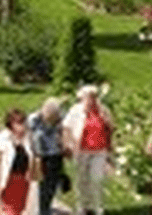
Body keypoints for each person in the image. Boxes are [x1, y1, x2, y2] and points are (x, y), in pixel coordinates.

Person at [63, 85, 114, 215]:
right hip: (81, 150)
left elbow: (111, 127)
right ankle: (82, 206)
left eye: (93, 96)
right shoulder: (76, 110)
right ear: (82, 98)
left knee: (97, 179)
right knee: (82, 180)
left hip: (100, 150)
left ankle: (97, 207)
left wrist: (105, 118)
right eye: (88, 97)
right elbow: (66, 127)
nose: (91, 99)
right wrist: (68, 144)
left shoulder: (102, 110)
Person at [28, 97, 70, 215]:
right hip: (42, 156)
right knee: (44, 184)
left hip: (56, 153)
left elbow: (64, 132)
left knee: (54, 183)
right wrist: (33, 152)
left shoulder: (60, 117)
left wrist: (64, 146)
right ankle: (43, 210)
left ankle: (47, 205)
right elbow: (30, 136)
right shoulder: (34, 119)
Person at [0, 108, 34, 215]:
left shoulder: (28, 137)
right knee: (8, 209)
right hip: (9, 179)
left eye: (23, 122)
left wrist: (30, 171)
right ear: (11, 124)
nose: (22, 125)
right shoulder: (3, 137)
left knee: (19, 209)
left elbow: (31, 156)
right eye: (18, 122)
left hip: (23, 181)